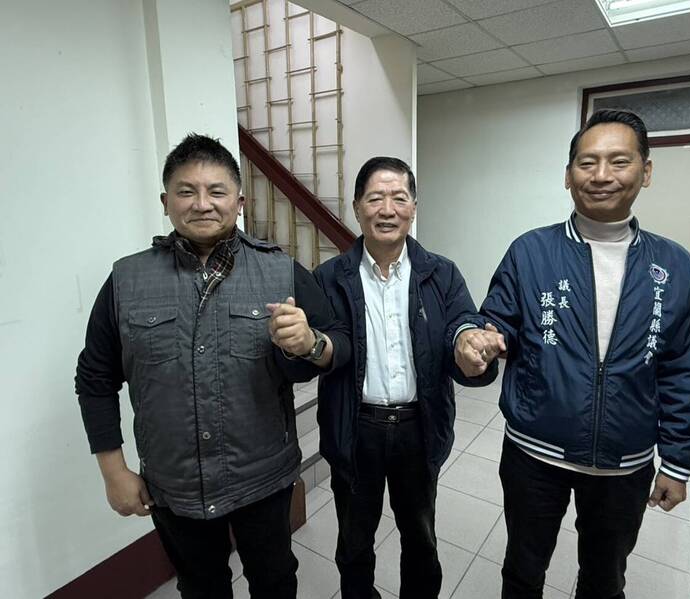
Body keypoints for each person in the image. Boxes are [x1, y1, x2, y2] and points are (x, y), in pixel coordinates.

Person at [75, 133, 350, 599]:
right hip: (174, 485)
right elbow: (94, 378)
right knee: (200, 588)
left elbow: (339, 344)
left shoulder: (280, 271)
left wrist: (311, 343)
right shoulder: (127, 280)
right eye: (187, 191)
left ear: (239, 202)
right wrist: (113, 471)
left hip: (264, 480)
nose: (202, 204)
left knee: (275, 582)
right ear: (166, 202)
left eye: (216, 191)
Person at [454, 109, 690, 599]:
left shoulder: (674, 265)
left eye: (619, 161)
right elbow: (496, 323)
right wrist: (475, 341)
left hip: (625, 462)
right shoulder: (530, 251)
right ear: (568, 175)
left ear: (646, 172)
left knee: (605, 579)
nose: (602, 175)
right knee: (522, 571)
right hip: (533, 452)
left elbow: (683, 367)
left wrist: (677, 461)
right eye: (587, 163)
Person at [314, 157, 502, 599]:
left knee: (420, 539)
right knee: (354, 542)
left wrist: (470, 349)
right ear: (357, 207)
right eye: (375, 198)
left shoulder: (441, 273)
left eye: (399, 198)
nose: (387, 209)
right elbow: (319, 349)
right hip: (355, 428)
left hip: (419, 427)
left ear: (414, 208)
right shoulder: (329, 278)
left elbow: (462, 327)